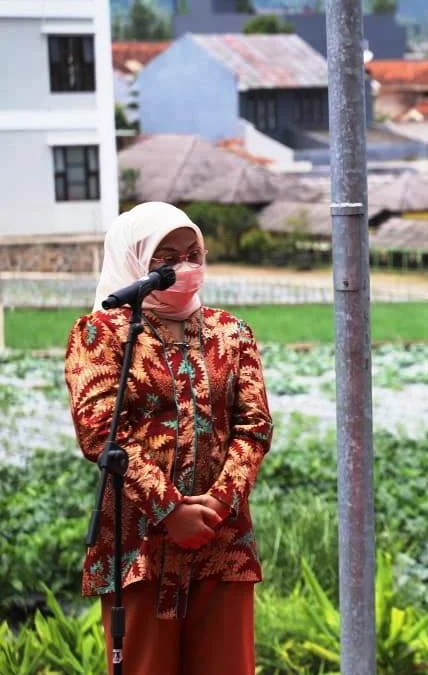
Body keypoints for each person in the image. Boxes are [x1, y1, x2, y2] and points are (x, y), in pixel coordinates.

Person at [64, 202, 273, 675]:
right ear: (135, 262)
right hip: (139, 543)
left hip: (222, 542)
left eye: (192, 252)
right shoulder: (102, 335)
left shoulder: (232, 333)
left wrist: (218, 505)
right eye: (166, 258)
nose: (184, 267)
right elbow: (100, 431)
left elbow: (254, 425)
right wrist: (170, 509)